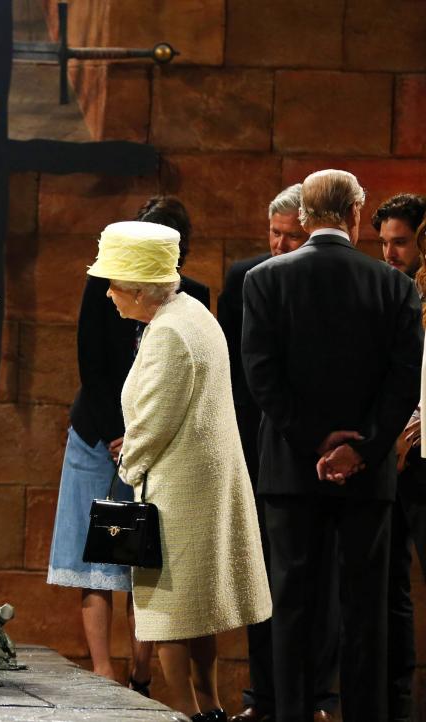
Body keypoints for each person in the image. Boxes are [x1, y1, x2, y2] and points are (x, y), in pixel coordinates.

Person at [242, 169, 423, 722]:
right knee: (365, 610)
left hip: (291, 474)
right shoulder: (395, 286)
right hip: (368, 478)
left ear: (303, 217)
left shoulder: (264, 280)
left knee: (292, 606)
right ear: (354, 215)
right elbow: (402, 383)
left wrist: (311, 440)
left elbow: (260, 376)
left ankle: (293, 714)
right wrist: (361, 449)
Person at [91, 219, 271, 722]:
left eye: (116, 284)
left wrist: (130, 463)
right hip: (197, 482)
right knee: (196, 611)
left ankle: (190, 714)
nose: (109, 294)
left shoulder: (169, 332)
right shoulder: (191, 312)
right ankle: (210, 708)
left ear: (142, 289)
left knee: (168, 614)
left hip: (176, 490)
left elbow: (153, 420)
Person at [47, 196, 206, 693]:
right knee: (97, 558)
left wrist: (139, 436)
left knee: (138, 554)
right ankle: (102, 672)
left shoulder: (190, 297)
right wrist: (119, 431)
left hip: (151, 443)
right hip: (101, 435)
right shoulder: (104, 286)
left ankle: (140, 674)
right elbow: (91, 361)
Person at [218, 185, 339, 722]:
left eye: (293, 235)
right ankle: (261, 697)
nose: (282, 244)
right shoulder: (244, 279)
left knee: (319, 585)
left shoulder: (325, 278)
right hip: (254, 451)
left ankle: (317, 699)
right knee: (260, 580)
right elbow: (234, 376)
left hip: (319, 452)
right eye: (276, 233)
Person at [373, 193, 426, 722]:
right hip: (393, 460)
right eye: (384, 242)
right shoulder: (388, 292)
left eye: (401, 242)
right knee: (391, 595)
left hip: (419, 456)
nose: (390, 252)